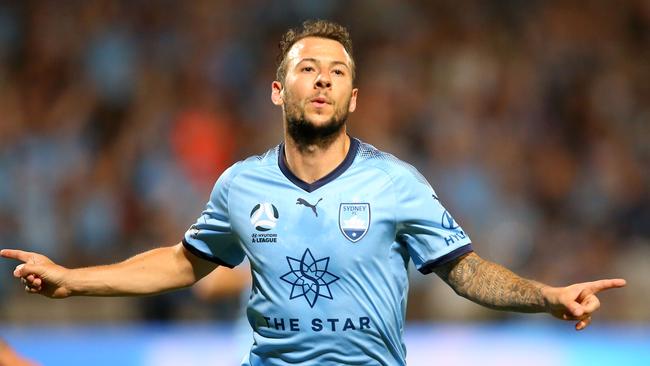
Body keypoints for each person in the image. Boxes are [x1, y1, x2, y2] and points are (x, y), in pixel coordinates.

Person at [1, 20, 626, 365]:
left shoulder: (395, 181)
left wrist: (548, 297)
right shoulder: (240, 184)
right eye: (307, 68)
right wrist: (73, 278)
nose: (323, 79)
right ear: (279, 92)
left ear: (354, 98)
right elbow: (181, 262)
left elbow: (465, 272)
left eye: (338, 72)